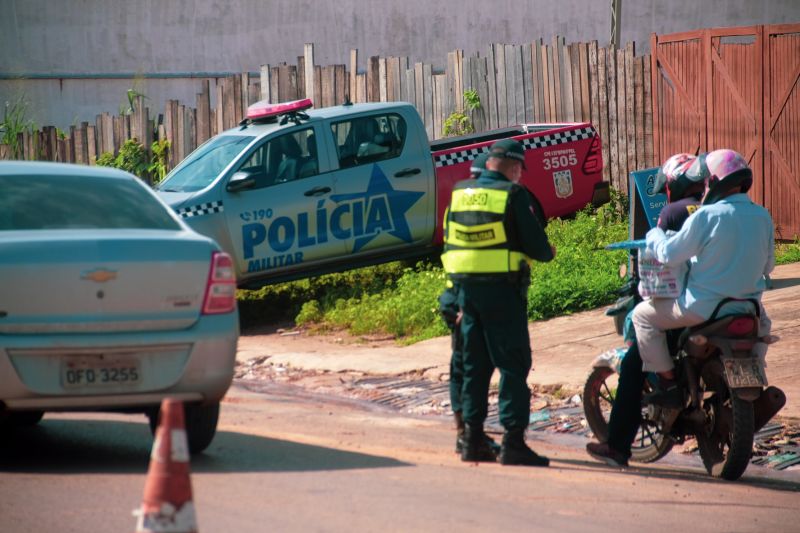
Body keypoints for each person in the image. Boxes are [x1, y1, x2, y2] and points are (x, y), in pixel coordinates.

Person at [586, 149, 775, 467]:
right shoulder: (762, 216)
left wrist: (654, 235)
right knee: (760, 335)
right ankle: (753, 386)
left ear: (713, 181)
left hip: (702, 309)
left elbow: (671, 254)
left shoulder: (707, 215)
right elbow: (768, 265)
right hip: (749, 310)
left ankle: (669, 382)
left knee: (643, 316)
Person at [441, 138, 555, 466]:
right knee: (513, 365)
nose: (520, 176)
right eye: (520, 170)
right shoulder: (513, 194)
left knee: (475, 366)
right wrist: (546, 252)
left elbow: (450, 243)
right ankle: (513, 442)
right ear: (515, 167)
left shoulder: (460, 193)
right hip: (503, 294)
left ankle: (471, 439)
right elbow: (539, 248)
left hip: (466, 294)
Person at [585, 152, 703, 467]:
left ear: (674, 186)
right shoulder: (712, 210)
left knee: (636, 360)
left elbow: (661, 263)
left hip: (684, 306)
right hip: (723, 304)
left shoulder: (671, 212)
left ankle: (618, 445)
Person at [438, 153, 500, 456]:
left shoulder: (456, 205)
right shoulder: (486, 207)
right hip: (468, 298)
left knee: (460, 367)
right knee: (472, 368)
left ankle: (463, 432)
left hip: (453, 296)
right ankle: (468, 435)